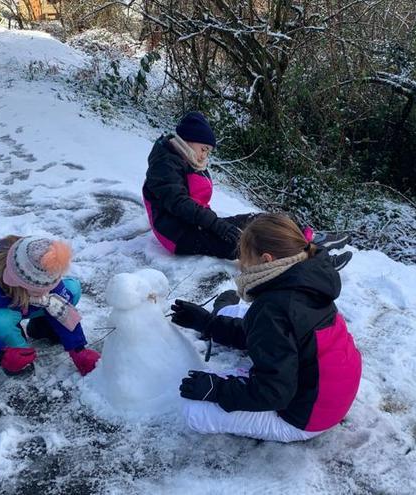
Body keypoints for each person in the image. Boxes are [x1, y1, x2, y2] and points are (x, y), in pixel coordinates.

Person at [170, 213, 362, 442]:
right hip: (329, 394)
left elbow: (275, 392)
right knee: (245, 315)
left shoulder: (273, 308)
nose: (241, 265)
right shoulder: (307, 278)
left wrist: (218, 389)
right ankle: (220, 313)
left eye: (243, 258)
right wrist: (207, 324)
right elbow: (267, 332)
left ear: (266, 260)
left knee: (194, 411)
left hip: (305, 417)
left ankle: (222, 314)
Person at [142, 111, 352, 263]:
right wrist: (217, 226)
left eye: (208, 151)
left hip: (196, 223)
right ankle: (310, 258)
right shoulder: (165, 163)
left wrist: (216, 224)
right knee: (244, 244)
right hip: (178, 235)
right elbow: (179, 203)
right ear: (188, 140)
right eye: (203, 149)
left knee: (260, 221)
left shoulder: (184, 158)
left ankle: (308, 237)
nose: (204, 156)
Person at [0, 235, 100, 377]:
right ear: (12, 280)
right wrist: (0, 353)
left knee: (71, 290)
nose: (46, 293)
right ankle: (18, 353)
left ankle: (42, 327)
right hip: (2, 309)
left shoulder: (43, 265)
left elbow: (61, 307)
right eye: (38, 291)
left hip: (28, 305)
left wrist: (78, 349)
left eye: (48, 290)